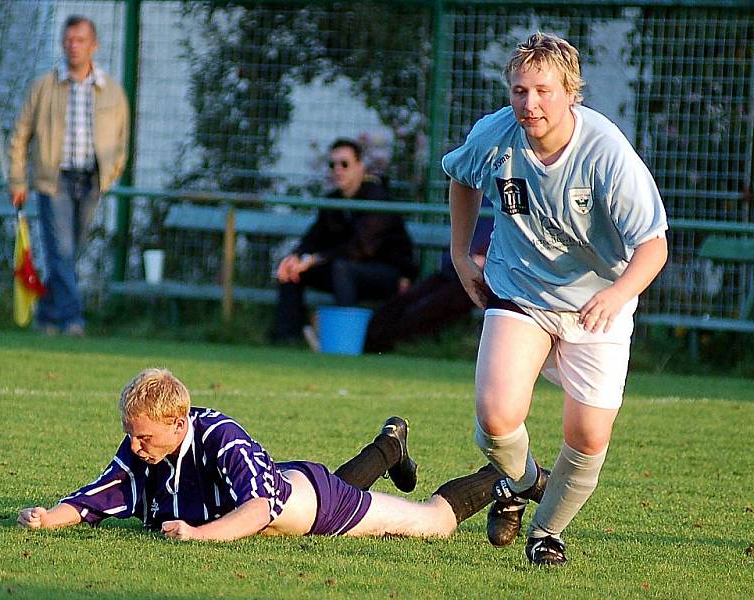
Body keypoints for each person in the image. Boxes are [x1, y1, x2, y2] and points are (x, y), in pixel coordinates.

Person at [442, 32, 668, 566]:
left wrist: (618, 293)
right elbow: (461, 177)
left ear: (571, 93)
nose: (529, 103)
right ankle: (523, 482)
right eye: (519, 90)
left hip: (598, 301)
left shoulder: (606, 154)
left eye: (542, 90)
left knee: (587, 435)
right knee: (496, 415)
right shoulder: (497, 135)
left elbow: (654, 246)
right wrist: (459, 254)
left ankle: (547, 531)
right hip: (521, 288)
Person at [18, 368, 501, 541]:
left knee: (434, 522)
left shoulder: (220, 435)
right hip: (297, 485)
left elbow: (257, 510)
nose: (135, 445)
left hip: (319, 507)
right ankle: (389, 446)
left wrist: (200, 535)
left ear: (179, 423)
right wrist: (48, 517)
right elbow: (96, 498)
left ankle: (507, 474)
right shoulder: (142, 450)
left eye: (144, 436)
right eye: (131, 435)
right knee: (338, 483)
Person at [8, 15, 129, 336]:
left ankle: (47, 315)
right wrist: (18, 179)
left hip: (90, 181)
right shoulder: (44, 87)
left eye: (80, 41)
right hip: (54, 180)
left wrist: (111, 175)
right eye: (68, 40)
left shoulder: (112, 91)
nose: (73, 47)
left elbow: (121, 141)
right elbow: (20, 135)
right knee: (60, 250)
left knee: (69, 252)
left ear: (94, 46)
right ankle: (72, 319)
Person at [271, 139, 418, 344]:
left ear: (360, 167)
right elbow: (313, 238)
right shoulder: (332, 201)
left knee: (342, 268)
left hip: (388, 274)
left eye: (344, 164)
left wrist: (314, 259)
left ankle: (347, 342)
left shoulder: (377, 200)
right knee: (291, 271)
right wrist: (295, 258)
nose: (338, 170)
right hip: (344, 269)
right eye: (333, 165)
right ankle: (287, 338)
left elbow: (361, 248)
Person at [364, 216, 492, 354]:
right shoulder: (482, 200)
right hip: (455, 271)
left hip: (479, 280)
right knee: (403, 301)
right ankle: (370, 340)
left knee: (427, 307)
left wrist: (483, 259)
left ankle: (385, 344)